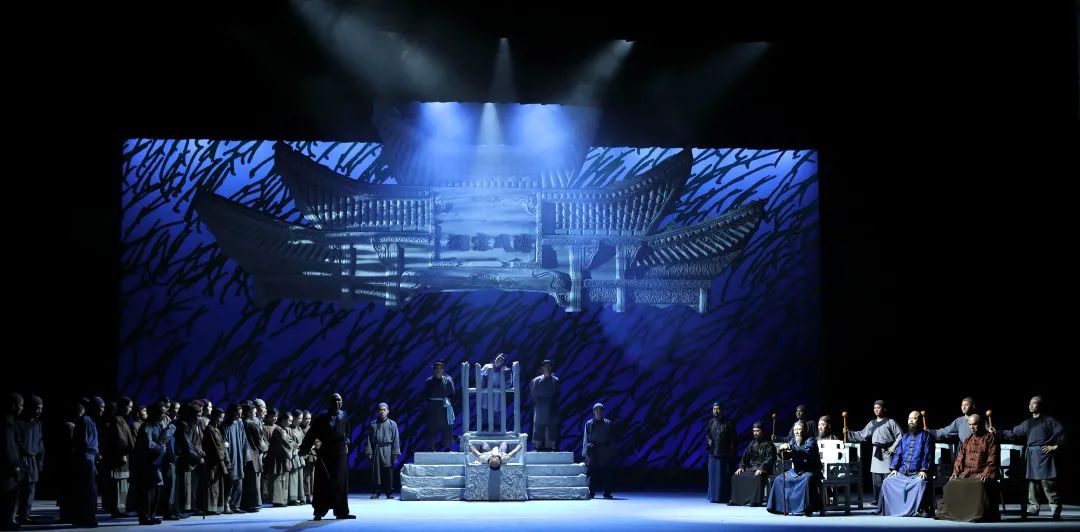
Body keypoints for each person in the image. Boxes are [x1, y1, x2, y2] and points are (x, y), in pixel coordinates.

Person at [996, 396, 1065, 520]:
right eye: (1030, 403)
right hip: (1032, 455)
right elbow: (1013, 433)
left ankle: (1055, 508)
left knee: (1047, 483)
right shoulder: (1027, 423)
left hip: (1044, 455)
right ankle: (1033, 508)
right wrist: (997, 432)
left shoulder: (1049, 420)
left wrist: (1055, 446)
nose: (1031, 405)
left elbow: (1062, 433)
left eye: (1034, 403)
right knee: (1032, 483)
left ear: (1041, 405)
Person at [299, 393, 355, 520]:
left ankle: (341, 511)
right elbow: (312, 434)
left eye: (339, 400)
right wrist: (304, 449)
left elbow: (347, 430)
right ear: (329, 403)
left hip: (340, 453)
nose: (337, 403)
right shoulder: (322, 418)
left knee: (340, 482)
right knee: (323, 481)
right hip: (326, 452)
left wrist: (346, 442)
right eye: (334, 401)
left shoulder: (344, 415)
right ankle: (319, 511)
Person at [936, 414, 999, 522]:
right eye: (970, 425)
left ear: (981, 424)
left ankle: (975, 514)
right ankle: (952, 513)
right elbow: (959, 459)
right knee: (952, 482)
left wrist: (986, 473)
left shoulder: (990, 438)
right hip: (967, 473)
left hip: (981, 473)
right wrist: (955, 473)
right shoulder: (967, 440)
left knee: (979, 484)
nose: (972, 427)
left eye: (974, 424)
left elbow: (992, 458)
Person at [844, 400, 903, 503]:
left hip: (887, 452)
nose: (876, 410)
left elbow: (900, 435)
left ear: (884, 409)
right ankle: (877, 499)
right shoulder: (872, 423)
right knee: (876, 479)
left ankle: (889, 500)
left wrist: (893, 447)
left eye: (878, 408)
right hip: (876, 452)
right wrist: (848, 432)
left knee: (888, 477)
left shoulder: (890, 422)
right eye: (875, 408)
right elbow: (862, 435)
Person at [879, 411, 933, 517]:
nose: (911, 421)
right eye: (909, 419)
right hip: (903, 473)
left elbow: (928, 454)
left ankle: (920, 508)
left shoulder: (926, 436)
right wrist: (894, 468)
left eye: (914, 418)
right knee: (887, 481)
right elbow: (898, 453)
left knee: (920, 483)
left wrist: (923, 470)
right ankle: (895, 509)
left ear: (919, 421)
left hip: (917, 473)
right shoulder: (905, 437)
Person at [766, 420, 821, 516]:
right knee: (779, 479)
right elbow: (787, 456)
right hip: (796, 470)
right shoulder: (793, 441)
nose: (796, 432)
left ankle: (806, 508)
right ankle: (780, 508)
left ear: (805, 430)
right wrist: (781, 452)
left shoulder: (811, 440)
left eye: (799, 429)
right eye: (795, 429)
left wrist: (790, 446)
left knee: (807, 480)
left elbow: (806, 450)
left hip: (810, 470)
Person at [729, 421, 776, 506]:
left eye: (757, 431)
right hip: (753, 468)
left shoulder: (769, 444)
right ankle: (737, 500)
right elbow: (746, 456)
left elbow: (770, 459)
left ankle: (755, 501)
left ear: (762, 431)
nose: (755, 433)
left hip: (765, 470)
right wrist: (741, 467)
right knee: (736, 476)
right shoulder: (752, 444)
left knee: (757, 477)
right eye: (754, 431)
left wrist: (762, 468)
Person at [363, 403, 400, 499]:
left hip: (388, 449)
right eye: (380, 410)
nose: (382, 412)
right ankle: (376, 491)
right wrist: (369, 452)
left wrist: (395, 454)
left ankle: (389, 492)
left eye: (384, 410)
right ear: (377, 412)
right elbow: (368, 439)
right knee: (376, 472)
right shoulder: (372, 424)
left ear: (387, 411)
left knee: (388, 471)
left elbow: (396, 439)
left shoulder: (392, 424)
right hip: (376, 450)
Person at [705, 402, 737, 503]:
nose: (716, 411)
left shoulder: (728, 423)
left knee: (723, 476)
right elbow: (708, 434)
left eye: (718, 409)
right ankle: (713, 497)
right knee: (713, 476)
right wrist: (709, 441)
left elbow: (733, 438)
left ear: (722, 410)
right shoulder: (710, 422)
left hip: (725, 454)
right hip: (713, 453)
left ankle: (724, 497)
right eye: (714, 409)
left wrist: (732, 452)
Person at [582, 403, 615, 499]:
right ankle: (591, 492)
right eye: (597, 410)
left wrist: (611, 452)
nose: (599, 412)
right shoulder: (589, 423)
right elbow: (585, 439)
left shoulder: (608, 423)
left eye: (600, 410)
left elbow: (611, 439)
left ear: (603, 411)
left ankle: (607, 492)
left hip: (604, 451)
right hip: (593, 450)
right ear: (594, 411)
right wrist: (585, 454)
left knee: (607, 472)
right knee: (592, 472)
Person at [423, 361, 456, 451]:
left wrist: (446, 401)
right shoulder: (429, 381)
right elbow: (425, 394)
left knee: (447, 427)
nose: (438, 370)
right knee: (432, 427)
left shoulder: (447, 381)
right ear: (434, 370)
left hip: (444, 406)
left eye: (440, 368)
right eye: (436, 368)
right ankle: (432, 447)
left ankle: (447, 447)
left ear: (443, 370)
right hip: (433, 406)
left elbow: (452, 393)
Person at [530, 360, 561, 452]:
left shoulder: (555, 380)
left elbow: (558, 393)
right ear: (542, 368)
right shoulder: (536, 380)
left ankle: (552, 447)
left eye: (549, 366)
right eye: (545, 366)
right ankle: (537, 447)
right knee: (538, 427)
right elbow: (533, 394)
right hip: (540, 407)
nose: (547, 368)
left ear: (551, 368)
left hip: (552, 406)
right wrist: (540, 403)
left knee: (552, 427)